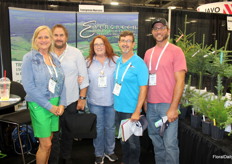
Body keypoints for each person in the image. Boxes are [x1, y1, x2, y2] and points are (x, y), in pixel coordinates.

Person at [143, 18, 187, 164]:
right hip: (151, 106)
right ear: (152, 32)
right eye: (155, 28)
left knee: (170, 144)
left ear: (167, 30)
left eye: (162, 28)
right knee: (156, 142)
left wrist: (174, 107)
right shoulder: (148, 53)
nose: (159, 31)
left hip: (168, 105)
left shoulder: (176, 51)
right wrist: (145, 102)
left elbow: (180, 81)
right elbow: (146, 80)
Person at [21, 25, 66, 164]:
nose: (43, 40)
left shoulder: (54, 58)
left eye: (46, 37)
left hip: (55, 103)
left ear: (51, 39)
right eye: (40, 37)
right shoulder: (29, 58)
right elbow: (29, 86)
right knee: (45, 144)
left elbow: (61, 82)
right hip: (39, 104)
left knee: (50, 142)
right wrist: (49, 106)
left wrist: (62, 104)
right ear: (35, 40)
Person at [50, 24, 89, 164]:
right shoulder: (46, 53)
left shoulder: (76, 53)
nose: (59, 38)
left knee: (68, 132)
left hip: (71, 100)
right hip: (52, 101)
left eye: (61, 35)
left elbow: (83, 76)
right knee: (52, 134)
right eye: (56, 35)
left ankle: (66, 157)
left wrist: (82, 98)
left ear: (66, 37)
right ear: (52, 37)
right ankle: (53, 159)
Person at [114, 31, 149, 164]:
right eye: (122, 40)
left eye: (128, 41)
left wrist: (137, 111)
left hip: (131, 110)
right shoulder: (118, 61)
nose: (125, 43)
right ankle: (126, 160)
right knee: (123, 140)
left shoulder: (139, 63)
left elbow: (143, 88)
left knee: (133, 143)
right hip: (118, 108)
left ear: (133, 44)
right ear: (119, 43)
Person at [86, 35, 119, 164]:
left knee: (110, 127)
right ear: (93, 48)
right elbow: (82, 79)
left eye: (101, 44)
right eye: (96, 45)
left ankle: (110, 151)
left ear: (106, 45)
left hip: (112, 101)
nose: (99, 47)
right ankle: (99, 153)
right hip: (94, 102)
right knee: (98, 128)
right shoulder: (87, 62)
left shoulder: (116, 60)